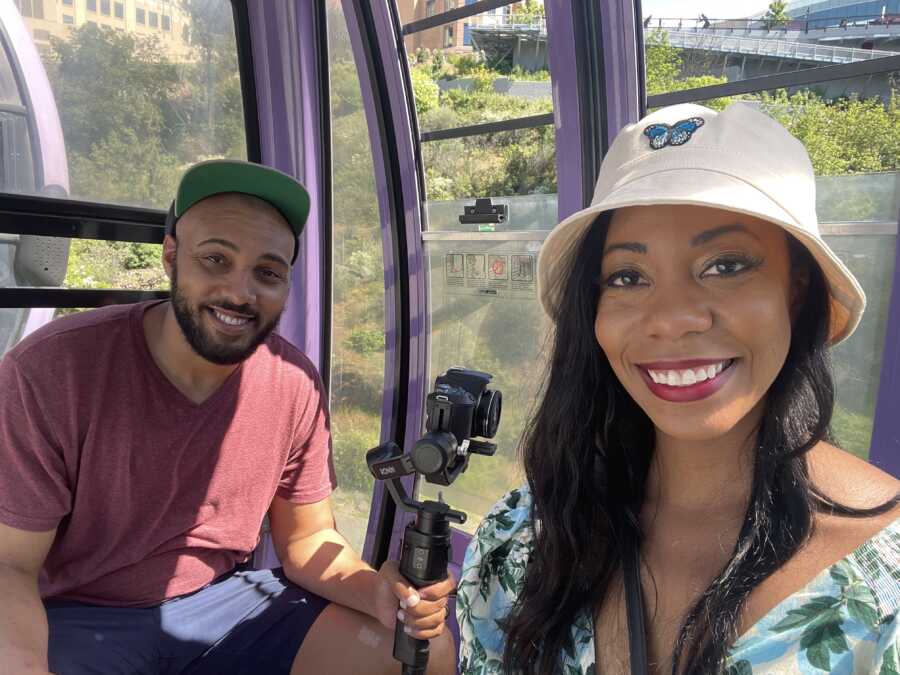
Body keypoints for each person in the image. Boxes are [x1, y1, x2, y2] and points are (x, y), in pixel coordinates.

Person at [456, 103, 899, 674]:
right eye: (627, 277)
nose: (670, 318)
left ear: (797, 289)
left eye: (726, 265)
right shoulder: (523, 536)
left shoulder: (883, 584)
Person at [0, 159, 455, 675]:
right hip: (79, 617)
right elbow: (10, 566)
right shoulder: (51, 371)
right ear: (172, 257)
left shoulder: (293, 382)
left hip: (226, 603)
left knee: (422, 654)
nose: (240, 293)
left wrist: (375, 592)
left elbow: (306, 540)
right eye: (216, 259)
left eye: (267, 272)